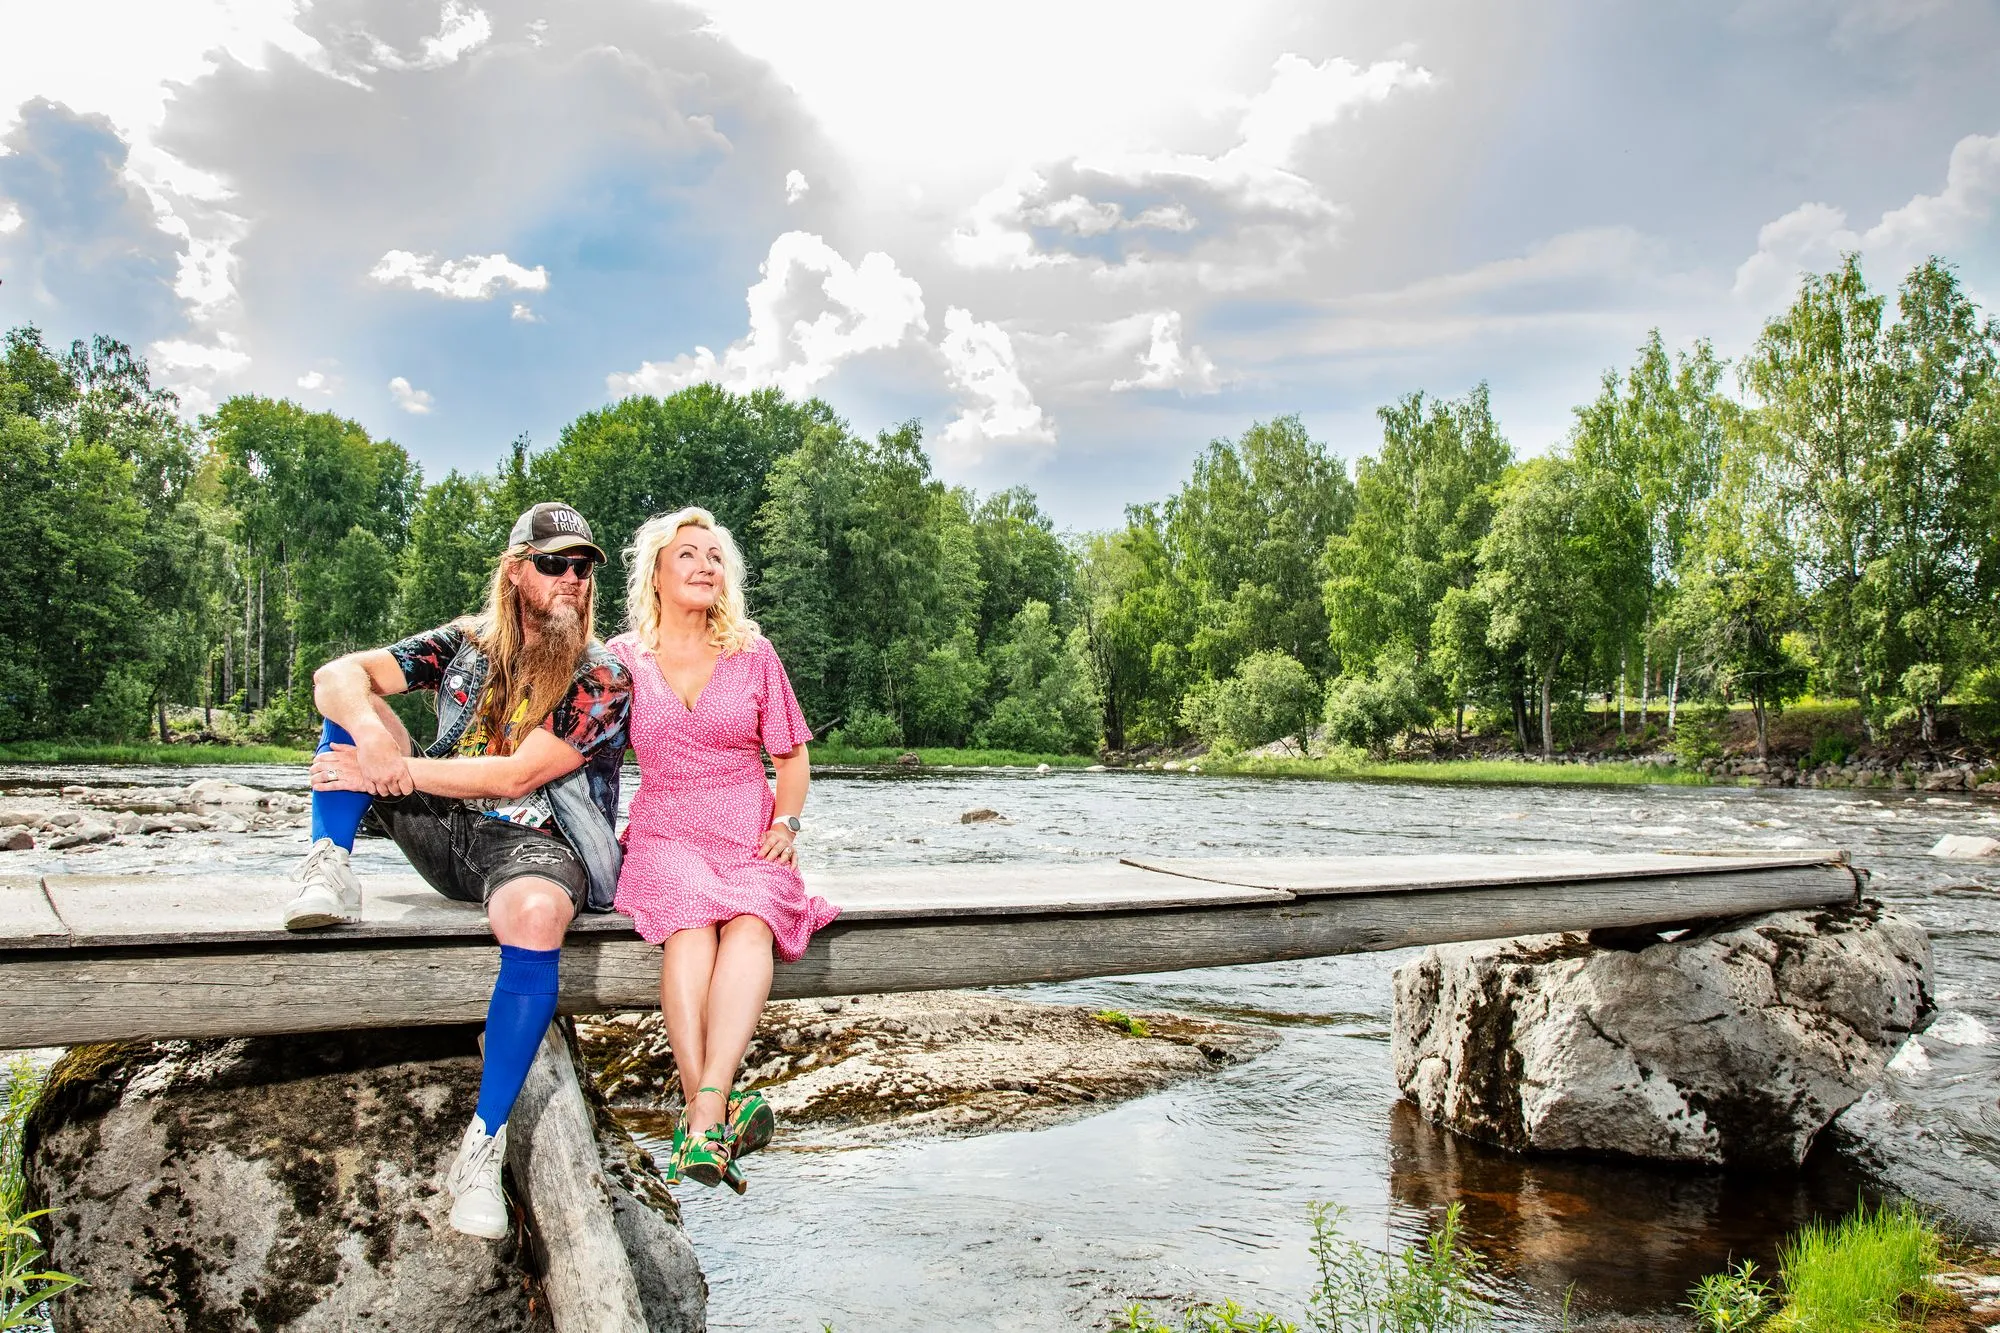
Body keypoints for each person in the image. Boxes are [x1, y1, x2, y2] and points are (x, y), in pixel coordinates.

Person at [283, 502, 632, 1240]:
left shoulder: (602, 676)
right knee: (350, 709)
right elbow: (335, 675)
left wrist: (390, 769)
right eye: (555, 564)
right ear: (516, 572)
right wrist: (373, 734)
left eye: (582, 567)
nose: (572, 579)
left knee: (535, 915)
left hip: (539, 843)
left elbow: (515, 778)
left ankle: (482, 1143)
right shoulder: (464, 642)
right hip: (448, 829)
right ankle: (329, 865)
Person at [607, 506, 838, 1190]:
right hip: (664, 829)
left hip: (746, 829)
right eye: (688, 554)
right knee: (689, 922)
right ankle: (713, 1109)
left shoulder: (752, 653)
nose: (705, 565)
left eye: (715, 557)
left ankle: (701, 1114)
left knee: (751, 920)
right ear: (655, 573)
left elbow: (791, 759)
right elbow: (582, 751)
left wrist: (786, 824)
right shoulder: (622, 659)